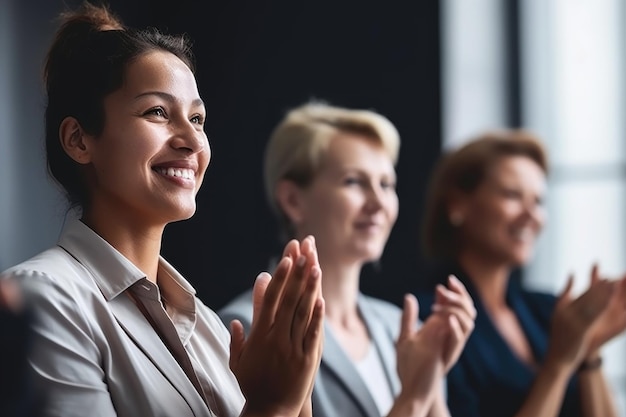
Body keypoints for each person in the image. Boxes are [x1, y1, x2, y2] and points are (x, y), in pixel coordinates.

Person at [0, 3, 325, 417]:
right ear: (79, 140)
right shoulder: (45, 299)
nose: (192, 139)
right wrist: (273, 404)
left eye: (198, 118)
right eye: (157, 111)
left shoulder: (207, 325)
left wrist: (297, 392)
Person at [220, 101, 476, 417]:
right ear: (292, 200)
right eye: (354, 181)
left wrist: (431, 383)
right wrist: (414, 395)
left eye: (386, 184)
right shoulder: (249, 329)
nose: (379, 202)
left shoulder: (399, 327)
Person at [416, 129, 626, 417]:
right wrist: (559, 364)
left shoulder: (547, 311)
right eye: (512, 195)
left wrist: (588, 349)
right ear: (457, 205)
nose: (531, 215)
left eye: (538, 201)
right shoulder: (430, 319)